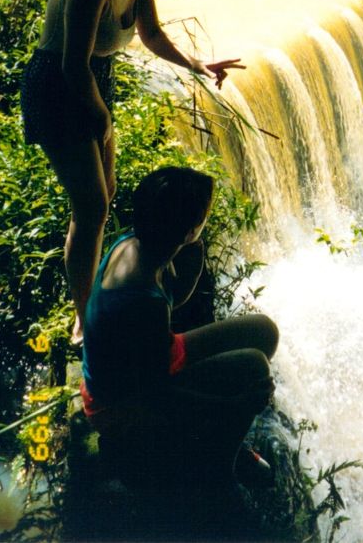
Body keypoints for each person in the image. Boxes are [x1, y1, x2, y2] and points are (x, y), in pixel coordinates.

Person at [20, 0, 243, 341]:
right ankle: (85, 318)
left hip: (92, 79)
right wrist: (100, 117)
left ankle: (90, 296)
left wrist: (197, 63)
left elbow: (152, 35)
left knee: (105, 194)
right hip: (57, 84)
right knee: (92, 207)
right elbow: (70, 65)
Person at [80, 166, 278, 523]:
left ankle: (215, 439)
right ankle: (219, 470)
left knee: (264, 331)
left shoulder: (136, 243)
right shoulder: (143, 300)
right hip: (120, 405)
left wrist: (193, 252)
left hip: (148, 363)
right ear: (187, 229)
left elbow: (178, 298)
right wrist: (233, 405)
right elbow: (157, 395)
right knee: (254, 367)